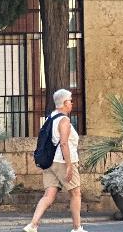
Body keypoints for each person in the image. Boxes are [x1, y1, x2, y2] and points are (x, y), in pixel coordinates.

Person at [23, 88, 82, 232]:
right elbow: (63, 143)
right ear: (64, 102)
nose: (72, 103)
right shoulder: (64, 120)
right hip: (63, 162)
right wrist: (69, 166)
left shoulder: (51, 117)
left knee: (49, 195)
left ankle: (33, 225)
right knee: (75, 193)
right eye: (70, 101)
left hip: (50, 163)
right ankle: (77, 228)